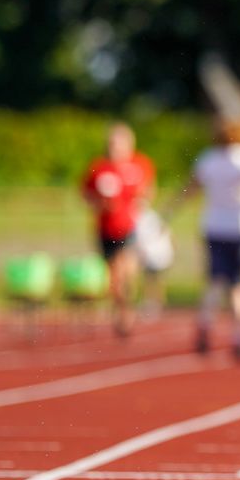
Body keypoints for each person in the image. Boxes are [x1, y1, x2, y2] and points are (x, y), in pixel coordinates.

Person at [167, 112, 240, 361]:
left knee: (213, 281)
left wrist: (170, 209)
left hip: (214, 227)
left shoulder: (209, 159)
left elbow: (191, 188)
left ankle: (205, 324)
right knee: (238, 284)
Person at [80, 122, 156, 337]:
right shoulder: (99, 167)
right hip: (105, 228)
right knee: (113, 278)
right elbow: (85, 193)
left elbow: (148, 190)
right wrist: (99, 203)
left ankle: (126, 313)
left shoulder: (140, 164)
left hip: (129, 227)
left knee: (126, 271)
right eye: (112, 143)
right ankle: (120, 308)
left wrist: (139, 203)